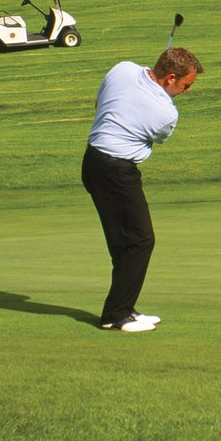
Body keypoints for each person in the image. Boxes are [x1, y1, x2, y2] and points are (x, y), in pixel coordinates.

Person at [81, 44, 202, 332]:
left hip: (92, 162)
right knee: (140, 239)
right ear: (170, 77)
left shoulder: (122, 68)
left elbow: (99, 104)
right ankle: (115, 315)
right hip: (116, 171)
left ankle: (125, 308)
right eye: (185, 86)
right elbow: (158, 139)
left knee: (125, 242)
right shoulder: (166, 112)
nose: (186, 92)